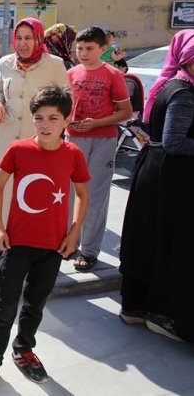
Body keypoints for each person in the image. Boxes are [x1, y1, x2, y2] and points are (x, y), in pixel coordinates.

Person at [0, 85, 90, 395]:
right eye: (39, 118)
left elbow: (82, 194)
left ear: (66, 120)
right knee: (4, 307)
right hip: (18, 244)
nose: (45, 125)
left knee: (35, 304)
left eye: (53, 118)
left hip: (53, 246)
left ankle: (24, 349)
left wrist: (74, 232)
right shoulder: (18, 150)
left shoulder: (73, 154)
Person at [119, 29, 194, 343]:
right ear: (188, 59)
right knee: (172, 246)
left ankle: (136, 308)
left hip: (156, 169)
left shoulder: (167, 84)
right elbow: (176, 141)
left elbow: (152, 129)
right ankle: (164, 316)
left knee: (147, 240)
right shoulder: (184, 93)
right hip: (172, 177)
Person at [0, 18, 68, 236]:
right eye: (19, 38)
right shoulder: (5, 62)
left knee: (35, 185)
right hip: (7, 134)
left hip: (39, 137)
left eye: (28, 38)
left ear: (39, 38)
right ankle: (1, 232)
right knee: (4, 187)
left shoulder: (54, 64)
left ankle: (31, 235)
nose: (23, 43)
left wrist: (56, 129)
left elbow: (67, 99)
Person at [67, 26, 132, 271]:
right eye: (79, 48)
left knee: (94, 195)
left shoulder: (113, 74)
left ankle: (90, 250)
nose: (83, 53)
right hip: (72, 139)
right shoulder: (71, 73)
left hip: (103, 141)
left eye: (89, 49)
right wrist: (65, 122)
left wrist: (96, 123)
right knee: (70, 194)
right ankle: (70, 243)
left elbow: (124, 112)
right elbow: (65, 107)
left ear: (103, 49)